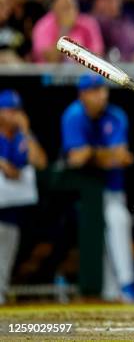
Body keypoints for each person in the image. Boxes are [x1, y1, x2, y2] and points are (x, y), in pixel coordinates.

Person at [61, 74, 134, 302]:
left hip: (112, 189)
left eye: (103, 90)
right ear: (83, 94)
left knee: (118, 220)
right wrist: (104, 155)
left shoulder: (116, 115)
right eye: (95, 91)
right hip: (81, 196)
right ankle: (122, 286)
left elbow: (122, 158)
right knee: (107, 232)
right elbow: (76, 158)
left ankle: (123, 286)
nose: (103, 95)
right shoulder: (73, 115)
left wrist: (92, 154)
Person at [0, 90, 47, 304]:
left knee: (6, 253)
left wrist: (26, 131)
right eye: (9, 110)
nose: (14, 115)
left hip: (11, 210)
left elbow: (40, 162)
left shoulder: (21, 136)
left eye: (17, 110)